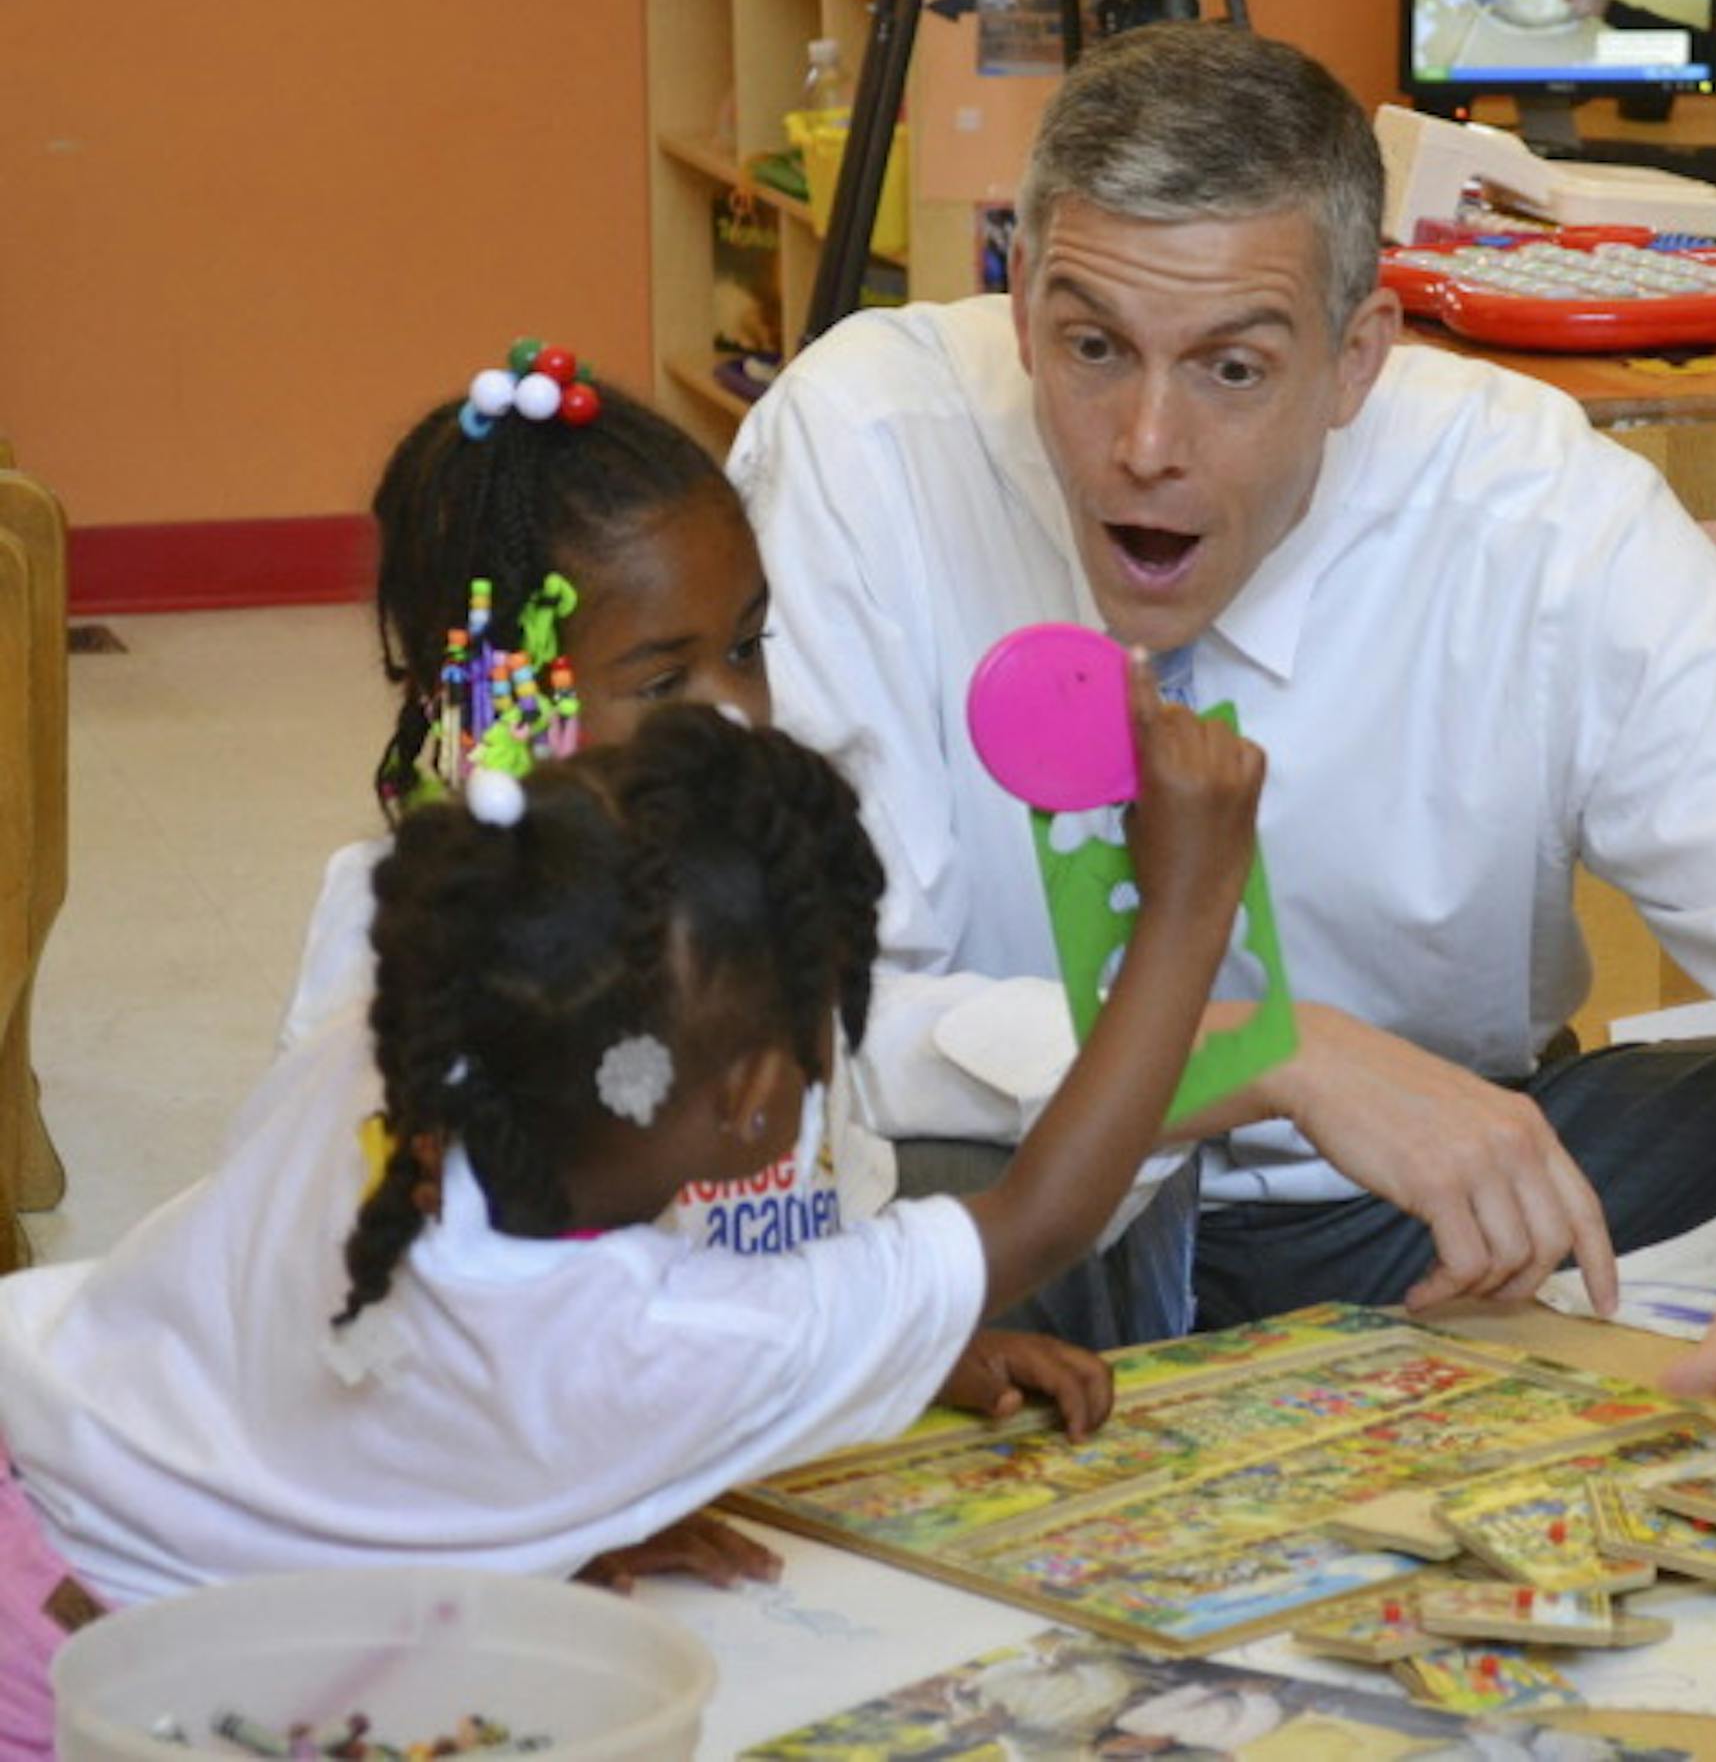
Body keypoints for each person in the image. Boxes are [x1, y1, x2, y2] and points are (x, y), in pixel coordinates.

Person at [731, 21, 1716, 1467]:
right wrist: (1267, 1052)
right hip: (1048, 1203)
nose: (1144, 442)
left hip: (1432, 1223)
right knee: (912, 1179)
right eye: (1092, 346)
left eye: (1233, 370)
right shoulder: (866, 447)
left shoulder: (1539, 516)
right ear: (1022, 293)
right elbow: (807, 1028)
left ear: (1358, 357)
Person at [0, 688, 1264, 1760]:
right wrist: (1190, 906)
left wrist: (577, 1496)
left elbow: (380, 1400)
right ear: (757, 1097)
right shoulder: (637, 1339)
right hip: (106, 1685)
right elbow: (1040, 1221)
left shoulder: (403, 1054)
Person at [281, 349, 1113, 1588]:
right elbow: (388, 1327)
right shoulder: (407, 942)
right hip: (514, 1521)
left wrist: (909, 1347)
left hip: (761, 1468)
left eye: (748, 646)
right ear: (493, 697)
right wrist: (559, 1516)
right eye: (665, 678)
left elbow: (807, 1211)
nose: (734, 713)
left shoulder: (744, 883)